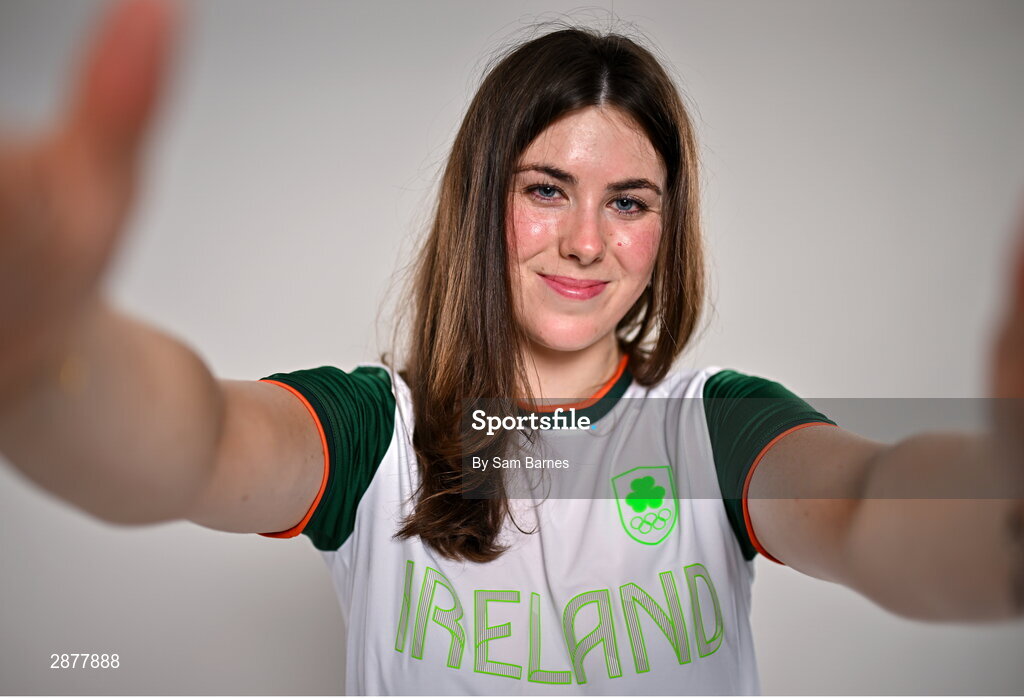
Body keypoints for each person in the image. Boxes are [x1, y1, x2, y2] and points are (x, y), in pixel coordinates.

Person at [0, 0, 1021, 694]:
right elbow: (195, 443)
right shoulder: (376, 433)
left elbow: (870, 507)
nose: (586, 240)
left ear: (667, 228)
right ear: (481, 203)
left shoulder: (714, 427)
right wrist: (46, 355)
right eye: (546, 189)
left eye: (628, 201)